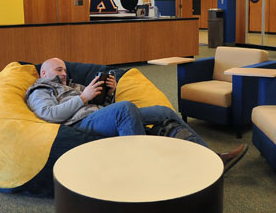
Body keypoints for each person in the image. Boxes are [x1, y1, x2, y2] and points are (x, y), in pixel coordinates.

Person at [25, 57, 248, 173]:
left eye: (65, 69)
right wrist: (83, 97)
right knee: (126, 108)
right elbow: (49, 114)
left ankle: (212, 157)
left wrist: (109, 92)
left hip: (97, 114)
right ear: (44, 73)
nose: (64, 74)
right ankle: (142, 170)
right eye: (59, 70)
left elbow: (99, 104)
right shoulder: (41, 89)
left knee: (164, 112)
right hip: (80, 123)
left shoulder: (73, 85)